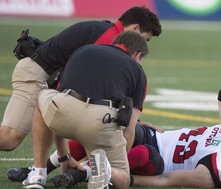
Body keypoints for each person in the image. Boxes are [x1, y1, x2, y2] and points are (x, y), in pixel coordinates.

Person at [9, 85, 221, 189]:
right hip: (155, 136)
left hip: (158, 160)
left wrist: (126, 179)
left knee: (138, 155)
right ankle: (41, 167)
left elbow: (167, 180)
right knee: (107, 129)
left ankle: (83, 173)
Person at [0, 6, 161, 151]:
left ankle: (40, 170)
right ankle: (42, 169)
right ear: (135, 28)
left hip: (48, 78)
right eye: (145, 39)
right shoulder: (108, 39)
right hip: (37, 75)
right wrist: (133, 122)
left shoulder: (106, 32)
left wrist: (134, 121)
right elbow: (101, 88)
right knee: (9, 138)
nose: (144, 46)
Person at [21, 31, 149, 189]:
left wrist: (64, 156)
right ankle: (107, 170)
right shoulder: (138, 71)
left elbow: (58, 94)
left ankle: (38, 174)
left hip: (66, 110)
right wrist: (119, 161)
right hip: (103, 120)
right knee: (123, 179)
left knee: (43, 98)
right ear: (138, 54)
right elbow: (130, 128)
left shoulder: (84, 50)